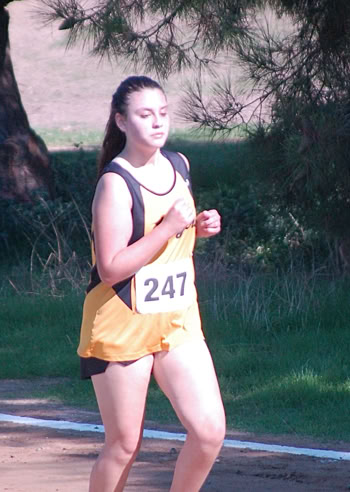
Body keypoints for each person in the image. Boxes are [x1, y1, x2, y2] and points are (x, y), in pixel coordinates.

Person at [77, 75, 226, 492]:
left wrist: (197, 228)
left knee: (209, 431)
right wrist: (168, 228)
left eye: (163, 113)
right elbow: (111, 268)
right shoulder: (115, 183)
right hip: (122, 323)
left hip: (177, 319)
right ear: (121, 121)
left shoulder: (180, 165)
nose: (158, 122)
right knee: (125, 445)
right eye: (145, 115)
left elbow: (172, 236)